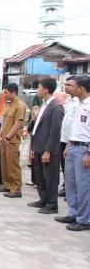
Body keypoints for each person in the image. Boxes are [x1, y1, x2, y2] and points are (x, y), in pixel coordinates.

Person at [56, 75, 90, 231]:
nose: (69, 88)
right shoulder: (78, 104)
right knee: (70, 183)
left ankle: (83, 220)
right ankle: (73, 213)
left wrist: (89, 154)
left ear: (82, 88)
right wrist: (68, 145)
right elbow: (75, 128)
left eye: (73, 86)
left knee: (83, 185)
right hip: (73, 146)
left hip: (84, 149)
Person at [27, 78, 64, 214]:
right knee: (39, 176)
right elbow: (36, 127)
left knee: (50, 177)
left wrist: (48, 150)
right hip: (38, 146)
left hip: (48, 148)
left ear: (46, 89)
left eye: (39, 87)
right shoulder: (44, 105)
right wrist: (33, 147)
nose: (37, 89)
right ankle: (43, 199)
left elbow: (55, 131)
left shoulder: (56, 107)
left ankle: (52, 204)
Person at [0, 83, 26, 198]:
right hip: (4, 138)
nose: (4, 95)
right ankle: (7, 184)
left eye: (6, 93)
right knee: (4, 163)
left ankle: (16, 188)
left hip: (12, 139)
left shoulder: (19, 106)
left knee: (12, 164)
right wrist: (0, 134)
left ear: (13, 92)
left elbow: (18, 124)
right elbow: (4, 121)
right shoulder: (9, 105)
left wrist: (8, 136)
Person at [59, 76, 79, 198]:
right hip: (63, 138)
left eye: (70, 85)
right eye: (65, 85)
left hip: (73, 140)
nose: (67, 87)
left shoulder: (80, 103)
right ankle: (67, 187)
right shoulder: (67, 101)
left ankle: (73, 191)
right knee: (65, 166)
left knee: (74, 169)